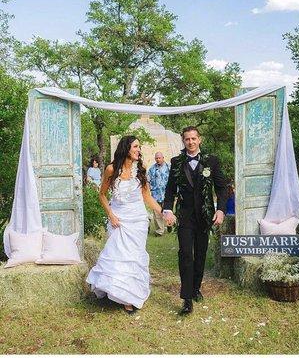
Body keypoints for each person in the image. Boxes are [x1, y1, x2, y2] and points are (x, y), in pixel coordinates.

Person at [86, 136, 162, 314]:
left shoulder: (141, 170)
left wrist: (163, 211)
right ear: (126, 148)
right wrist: (111, 215)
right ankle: (118, 292)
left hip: (138, 220)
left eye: (139, 147)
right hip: (119, 219)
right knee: (118, 255)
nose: (139, 149)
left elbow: (147, 197)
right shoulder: (111, 169)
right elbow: (102, 195)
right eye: (136, 146)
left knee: (134, 257)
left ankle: (130, 295)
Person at [163, 126, 227, 315]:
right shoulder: (176, 162)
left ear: (200, 140)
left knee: (200, 254)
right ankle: (187, 298)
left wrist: (221, 210)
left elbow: (222, 188)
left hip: (205, 216)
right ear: (183, 142)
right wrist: (168, 210)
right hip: (185, 216)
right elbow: (170, 189)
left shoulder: (211, 161)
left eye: (193, 139)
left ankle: (196, 287)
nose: (190, 142)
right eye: (187, 139)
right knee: (185, 254)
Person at [147, 152, 170, 236]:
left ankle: (168, 224)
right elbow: (148, 180)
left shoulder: (168, 167)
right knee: (157, 213)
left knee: (167, 211)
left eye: (159, 158)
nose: (158, 159)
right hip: (155, 195)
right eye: (156, 158)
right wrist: (149, 190)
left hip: (166, 194)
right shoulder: (152, 169)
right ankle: (160, 231)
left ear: (163, 158)